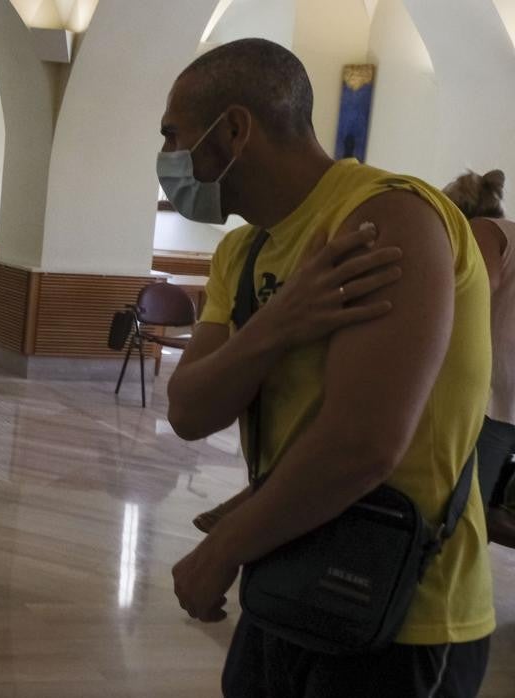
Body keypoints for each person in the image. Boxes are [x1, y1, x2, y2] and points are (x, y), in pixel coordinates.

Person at [162, 39, 493, 696]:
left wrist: (222, 549)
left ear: (234, 130)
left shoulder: (386, 218)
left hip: (400, 610)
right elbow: (190, 409)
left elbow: (362, 443)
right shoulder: (241, 253)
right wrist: (281, 322)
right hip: (289, 578)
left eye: (174, 137)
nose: (167, 160)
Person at [444, 169, 515, 547]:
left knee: (465, 505)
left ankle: (448, 589)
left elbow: (477, 287)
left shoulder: (483, 231)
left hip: (495, 391)